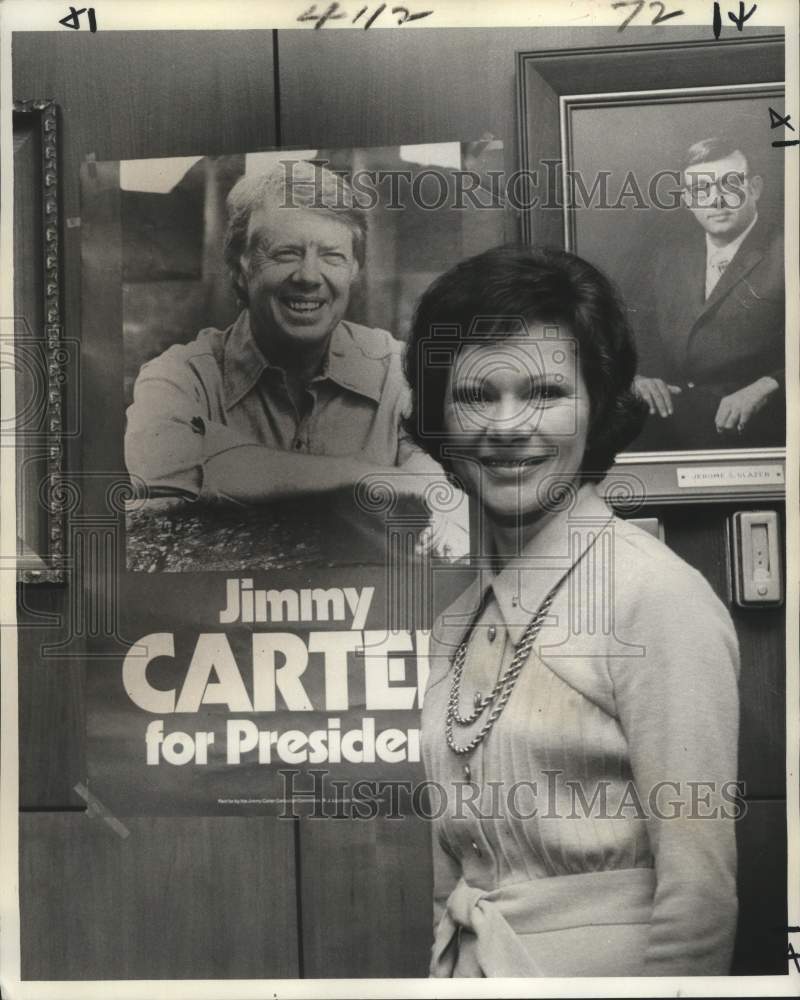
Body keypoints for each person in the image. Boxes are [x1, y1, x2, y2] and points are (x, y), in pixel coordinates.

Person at [404, 244, 740, 977]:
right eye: (474, 397)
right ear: (439, 421)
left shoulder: (656, 599)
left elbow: (700, 906)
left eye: (545, 392)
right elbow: (450, 889)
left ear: (599, 405)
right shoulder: (454, 625)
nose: (507, 425)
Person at [124, 160, 466, 554]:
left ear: (354, 270)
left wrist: (426, 481)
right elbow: (170, 472)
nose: (308, 275)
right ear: (241, 268)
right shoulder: (179, 377)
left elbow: (446, 483)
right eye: (286, 253)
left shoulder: (399, 368)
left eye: (332, 256)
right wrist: (374, 479)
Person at [630, 136, 784, 450]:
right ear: (687, 199)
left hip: (762, 432)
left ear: (754, 188)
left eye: (730, 185)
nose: (716, 200)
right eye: (702, 190)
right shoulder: (668, 255)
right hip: (671, 427)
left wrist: (769, 385)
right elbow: (632, 333)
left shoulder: (788, 250)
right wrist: (636, 378)